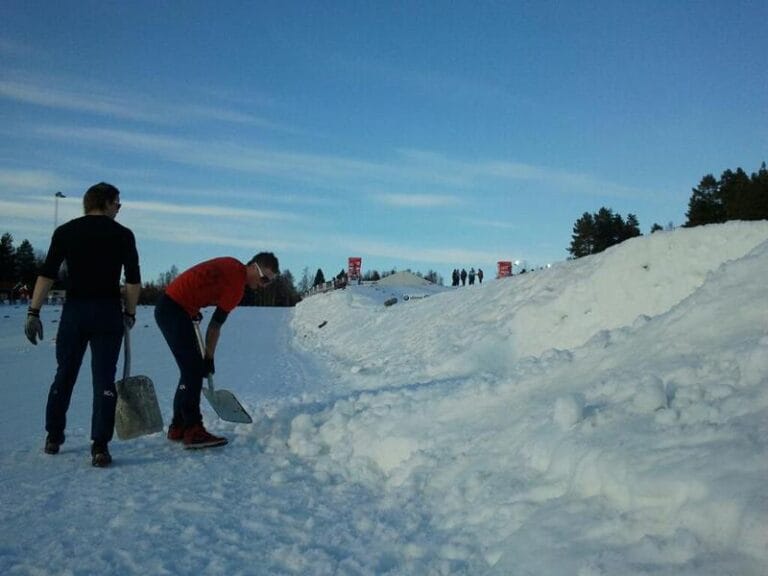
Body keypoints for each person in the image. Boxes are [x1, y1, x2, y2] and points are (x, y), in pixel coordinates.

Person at [25, 183, 141, 468]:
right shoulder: (123, 235)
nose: (119, 209)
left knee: (64, 373)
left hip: (74, 312)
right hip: (107, 313)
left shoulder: (66, 231)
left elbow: (47, 274)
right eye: (118, 203)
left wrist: (34, 311)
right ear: (108, 202)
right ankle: (100, 446)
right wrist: (130, 312)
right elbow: (133, 280)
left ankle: (54, 436)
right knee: (104, 379)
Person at [154, 253, 279, 448]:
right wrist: (209, 358)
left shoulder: (231, 264)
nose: (264, 285)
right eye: (264, 279)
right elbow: (215, 326)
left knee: (189, 370)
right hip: (173, 309)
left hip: (175, 307)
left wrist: (193, 309)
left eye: (269, 283)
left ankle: (178, 426)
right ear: (254, 267)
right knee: (193, 370)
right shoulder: (236, 286)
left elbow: (200, 283)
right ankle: (193, 430)